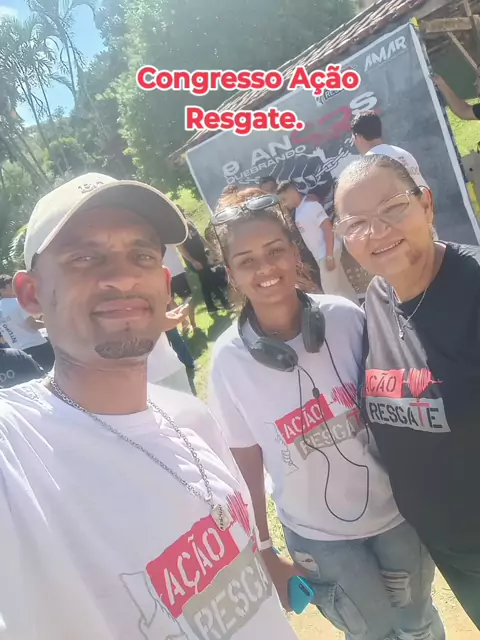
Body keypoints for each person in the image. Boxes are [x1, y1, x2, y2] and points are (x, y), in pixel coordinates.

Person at [0, 172, 299, 640]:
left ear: (163, 284)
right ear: (31, 294)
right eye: (83, 258)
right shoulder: (17, 451)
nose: (122, 276)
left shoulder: (193, 419)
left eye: (141, 255)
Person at [207, 187, 444, 640]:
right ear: (232, 275)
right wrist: (263, 549)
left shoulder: (346, 318)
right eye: (247, 260)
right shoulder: (227, 361)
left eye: (274, 251)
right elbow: (245, 464)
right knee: (372, 633)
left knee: (418, 622)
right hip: (321, 541)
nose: (265, 268)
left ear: (295, 251)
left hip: (397, 514)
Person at [334, 153, 480, 628]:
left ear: (427, 204)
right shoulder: (379, 297)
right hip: (448, 547)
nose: (377, 231)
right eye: (356, 223)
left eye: (393, 207)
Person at [277, 180, 358, 303]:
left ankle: (343, 313)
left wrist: (329, 256)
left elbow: (327, 228)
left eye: (284, 199)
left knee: (330, 291)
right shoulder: (299, 210)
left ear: (292, 192)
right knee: (341, 286)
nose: (284, 203)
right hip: (322, 254)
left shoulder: (311, 206)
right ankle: (356, 309)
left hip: (327, 252)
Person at [351, 111, 429, 189]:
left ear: (358, 137)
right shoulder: (404, 154)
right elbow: (425, 189)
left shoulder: (366, 167)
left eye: (353, 137)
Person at [0, 273, 55, 371]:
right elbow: (33, 324)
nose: (14, 288)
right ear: (2, 290)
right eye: (11, 285)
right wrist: (53, 324)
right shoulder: (17, 302)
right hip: (38, 346)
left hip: (19, 353)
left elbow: (3, 339)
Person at [180, 216, 231, 313]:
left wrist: (210, 248)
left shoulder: (189, 224)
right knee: (210, 277)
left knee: (205, 282)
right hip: (194, 260)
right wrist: (193, 261)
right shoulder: (179, 231)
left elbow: (200, 237)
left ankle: (211, 306)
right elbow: (182, 250)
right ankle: (224, 302)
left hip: (202, 256)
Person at [163, 244, 196, 330]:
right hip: (169, 274)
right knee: (172, 300)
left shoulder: (169, 239)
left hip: (174, 272)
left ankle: (190, 323)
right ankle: (186, 322)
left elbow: (181, 248)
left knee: (185, 298)